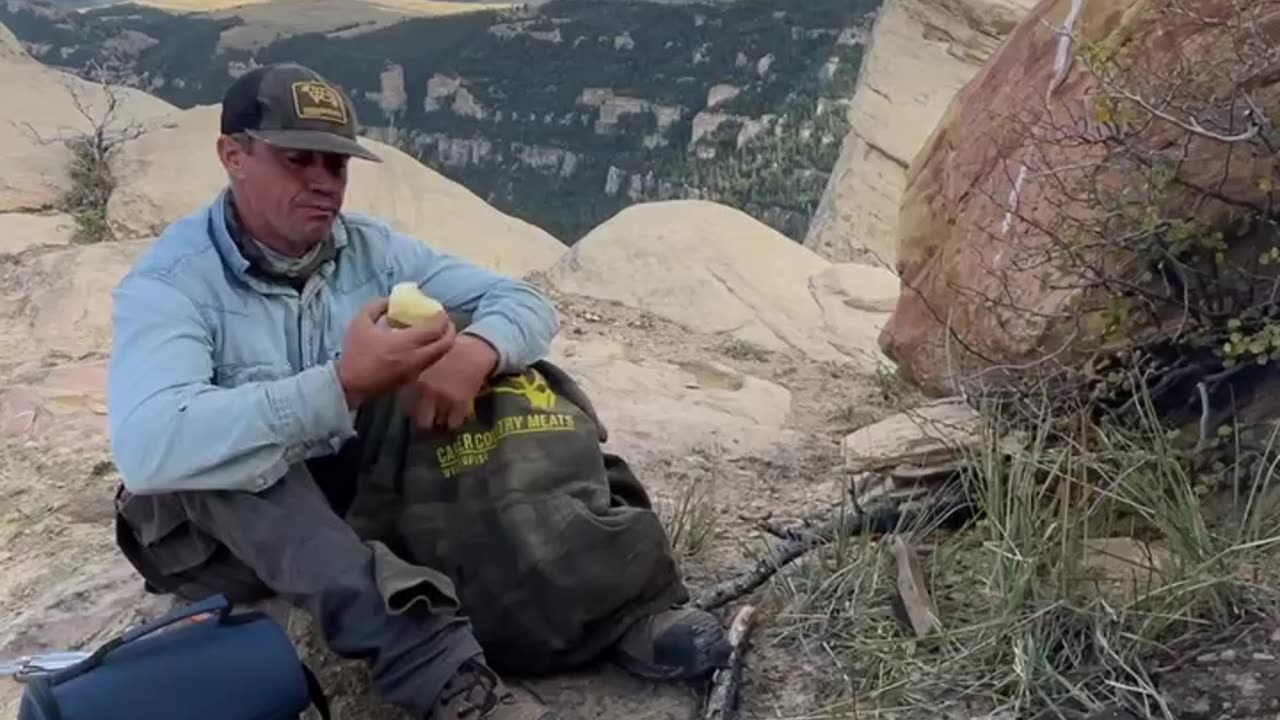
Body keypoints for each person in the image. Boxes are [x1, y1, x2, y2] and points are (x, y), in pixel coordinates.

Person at [106, 62, 729, 720]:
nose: (324, 183)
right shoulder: (173, 283)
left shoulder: (367, 251)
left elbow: (521, 302)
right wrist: (342, 384)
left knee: (504, 375)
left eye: (337, 165)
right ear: (234, 155)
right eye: (298, 161)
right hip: (218, 532)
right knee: (232, 459)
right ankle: (441, 671)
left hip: (346, 484)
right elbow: (150, 449)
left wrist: (473, 352)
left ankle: (612, 599)